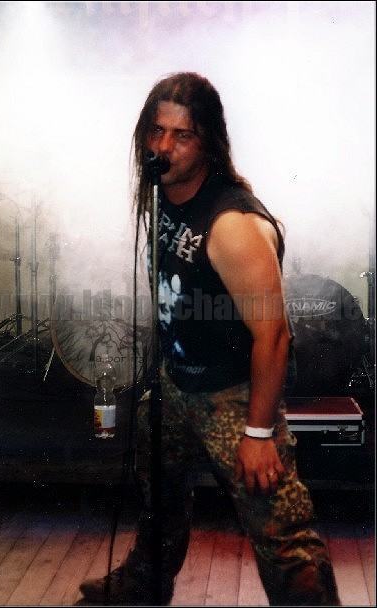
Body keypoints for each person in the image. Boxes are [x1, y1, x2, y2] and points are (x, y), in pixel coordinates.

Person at [79, 72, 340, 606]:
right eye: (156, 131)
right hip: (176, 386)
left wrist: (259, 433)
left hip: (234, 398)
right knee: (157, 497)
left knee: (281, 532)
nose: (163, 147)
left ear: (208, 143)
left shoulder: (232, 225)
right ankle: (144, 584)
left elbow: (274, 335)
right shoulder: (161, 192)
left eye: (182, 135)